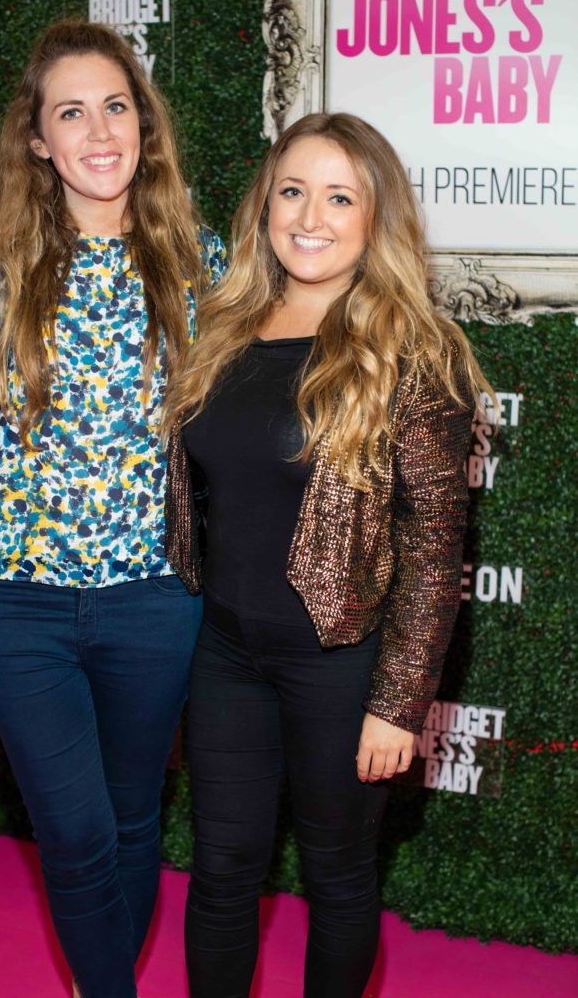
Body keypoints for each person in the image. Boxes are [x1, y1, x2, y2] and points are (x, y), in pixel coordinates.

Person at [163, 112, 492, 998]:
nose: (310, 215)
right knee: (222, 870)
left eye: (339, 196)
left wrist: (396, 705)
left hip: (341, 662)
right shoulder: (224, 325)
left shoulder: (414, 354)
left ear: (374, 216)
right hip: (224, 650)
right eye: (292, 191)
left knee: (337, 876)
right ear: (264, 205)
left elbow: (433, 551)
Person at [0, 18, 225, 998]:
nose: (98, 131)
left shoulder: (202, 267)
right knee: (74, 826)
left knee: (135, 818)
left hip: (157, 598)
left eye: (115, 106)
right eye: (71, 111)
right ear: (37, 140)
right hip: (20, 603)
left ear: (141, 124)